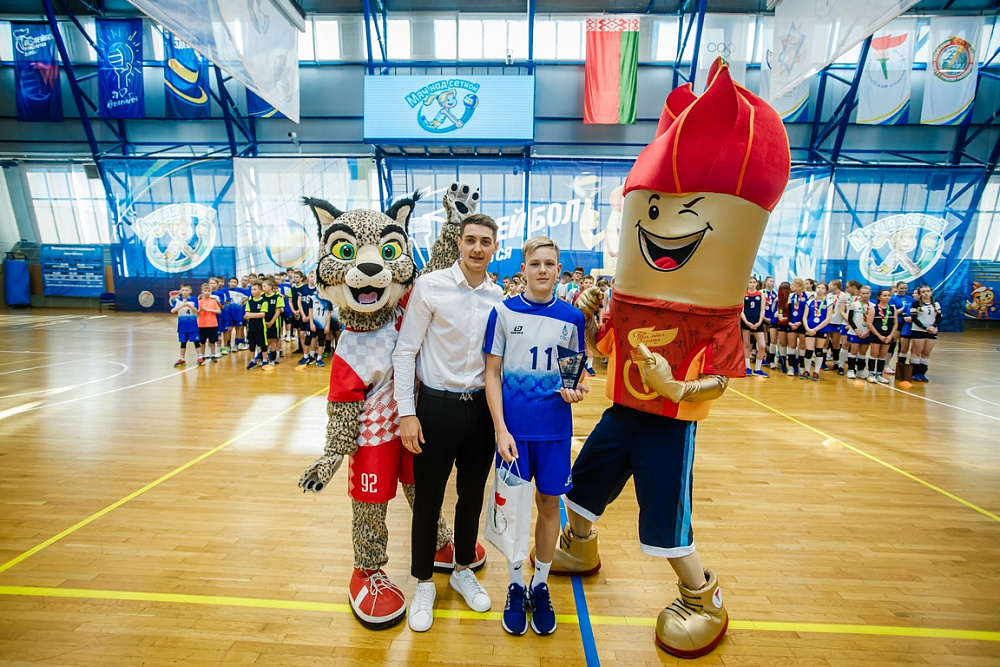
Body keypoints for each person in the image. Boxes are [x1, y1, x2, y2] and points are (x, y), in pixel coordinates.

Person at [393, 213, 505, 633]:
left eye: (485, 241)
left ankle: (461, 569)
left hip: (479, 411)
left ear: (495, 248)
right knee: (428, 499)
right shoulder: (431, 286)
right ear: (459, 243)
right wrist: (407, 412)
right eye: (470, 240)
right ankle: (423, 581)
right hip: (435, 409)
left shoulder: (498, 297)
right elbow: (405, 351)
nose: (477, 248)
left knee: (472, 496)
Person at [483, 235, 588, 637]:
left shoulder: (573, 318)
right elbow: (492, 374)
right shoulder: (503, 313)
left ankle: (539, 585)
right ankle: (514, 584)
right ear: (523, 269)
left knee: (548, 506)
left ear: (558, 270)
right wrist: (500, 428)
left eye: (549, 264)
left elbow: (574, 375)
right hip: (513, 433)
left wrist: (577, 390)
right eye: (535, 263)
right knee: (512, 509)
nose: (542, 270)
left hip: (555, 432)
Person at [909, 285, 941, 382]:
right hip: (918, 331)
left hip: (932, 331)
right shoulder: (915, 304)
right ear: (920, 294)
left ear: (931, 292)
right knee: (917, 352)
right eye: (923, 292)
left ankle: (922, 373)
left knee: (926, 353)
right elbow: (914, 318)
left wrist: (933, 326)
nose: (926, 293)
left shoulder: (936, 304)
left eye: (927, 291)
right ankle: (915, 373)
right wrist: (925, 328)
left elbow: (938, 318)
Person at [865, 288, 897, 384]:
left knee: (882, 355)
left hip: (887, 336)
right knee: (874, 354)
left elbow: (895, 323)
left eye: (888, 295)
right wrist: (879, 336)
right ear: (879, 297)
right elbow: (869, 323)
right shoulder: (874, 309)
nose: (887, 297)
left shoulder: (892, 309)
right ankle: (871, 374)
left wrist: (891, 335)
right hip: (876, 335)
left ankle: (879, 374)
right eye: (884, 295)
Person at [802, 283, 833, 380]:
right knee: (808, 351)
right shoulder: (809, 302)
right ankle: (806, 371)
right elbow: (804, 317)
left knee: (819, 351)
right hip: (810, 329)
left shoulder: (829, 303)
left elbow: (828, 319)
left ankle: (816, 372)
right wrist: (807, 328)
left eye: (822, 288)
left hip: (822, 329)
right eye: (818, 287)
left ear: (826, 291)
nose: (820, 289)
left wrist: (815, 329)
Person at [741, 276, 768, 377]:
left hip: (757, 322)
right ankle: (747, 367)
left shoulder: (761, 295)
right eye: (750, 282)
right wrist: (747, 322)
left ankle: (757, 369)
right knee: (746, 344)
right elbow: (741, 311)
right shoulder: (743, 294)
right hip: (746, 321)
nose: (752, 284)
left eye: (754, 282)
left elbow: (762, 310)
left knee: (762, 345)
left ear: (757, 283)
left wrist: (760, 322)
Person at [845, 285, 872, 379]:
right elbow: (850, 319)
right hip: (855, 332)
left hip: (867, 332)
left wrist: (868, 331)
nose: (865, 295)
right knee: (854, 350)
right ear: (860, 294)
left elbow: (873, 321)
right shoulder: (854, 304)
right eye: (863, 293)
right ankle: (851, 369)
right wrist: (856, 330)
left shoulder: (873, 306)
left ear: (870, 294)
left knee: (863, 352)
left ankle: (860, 370)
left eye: (867, 293)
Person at [171, 284, 201, 367]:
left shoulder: (194, 299)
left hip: (192, 325)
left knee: (196, 341)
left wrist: (189, 305)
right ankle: (182, 358)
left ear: (190, 291)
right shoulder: (178, 300)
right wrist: (182, 306)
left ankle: (200, 357)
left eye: (186, 290)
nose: (184, 292)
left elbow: (197, 311)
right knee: (183, 342)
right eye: (183, 290)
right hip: (182, 326)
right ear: (180, 291)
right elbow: (172, 311)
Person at [887, 280, 913, 375]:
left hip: (906, 324)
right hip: (896, 323)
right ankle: (886, 365)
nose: (903, 290)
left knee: (903, 346)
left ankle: (900, 366)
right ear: (897, 288)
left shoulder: (910, 298)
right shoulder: (892, 298)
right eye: (901, 288)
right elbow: (892, 312)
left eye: (905, 288)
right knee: (892, 344)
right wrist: (904, 308)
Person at [244, 281, 271, 370]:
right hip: (251, 326)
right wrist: (253, 315)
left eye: (255, 289)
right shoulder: (250, 302)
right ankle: (252, 361)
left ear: (260, 291)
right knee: (252, 344)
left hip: (260, 326)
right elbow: (246, 314)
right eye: (252, 289)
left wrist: (251, 315)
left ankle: (264, 360)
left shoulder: (264, 301)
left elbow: (262, 314)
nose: (252, 291)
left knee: (263, 344)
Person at [785, 278, 808, 377]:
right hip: (792, 324)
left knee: (802, 346)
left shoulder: (808, 295)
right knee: (792, 345)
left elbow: (807, 311)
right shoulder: (791, 296)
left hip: (803, 324)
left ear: (797, 285)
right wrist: (790, 322)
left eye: (792, 285)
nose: (791, 287)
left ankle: (802, 367)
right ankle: (791, 366)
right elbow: (789, 311)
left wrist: (801, 322)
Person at [825, 279, 848, 373]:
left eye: (830, 285)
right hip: (828, 321)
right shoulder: (828, 295)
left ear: (835, 286)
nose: (829, 286)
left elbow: (845, 309)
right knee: (825, 343)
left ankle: (836, 362)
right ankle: (823, 362)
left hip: (837, 322)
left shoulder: (843, 296)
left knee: (836, 343)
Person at [261, 278, 284, 366]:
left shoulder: (277, 297)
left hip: (274, 322)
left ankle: (273, 358)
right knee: (264, 340)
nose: (263, 288)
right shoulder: (261, 296)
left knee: (273, 340)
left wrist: (271, 322)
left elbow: (278, 311)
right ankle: (264, 357)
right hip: (263, 322)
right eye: (262, 286)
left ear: (270, 287)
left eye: (264, 286)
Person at [197, 283, 221, 363]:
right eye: (205, 291)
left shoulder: (213, 301)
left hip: (212, 324)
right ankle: (202, 355)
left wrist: (208, 310)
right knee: (202, 341)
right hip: (202, 324)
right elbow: (195, 312)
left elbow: (218, 311)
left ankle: (213, 355)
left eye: (208, 291)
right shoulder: (199, 301)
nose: (207, 292)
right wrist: (200, 310)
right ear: (202, 291)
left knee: (212, 341)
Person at [771, 281, 791, 373]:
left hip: (789, 323)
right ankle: (782, 363)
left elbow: (793, 313)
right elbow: (778, 310)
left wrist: (786, 318)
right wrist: (778, 314)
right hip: (781, 322)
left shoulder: (791, 298)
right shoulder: (780, 299)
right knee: (782, 343)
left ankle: (792, 363)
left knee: (790, 344)